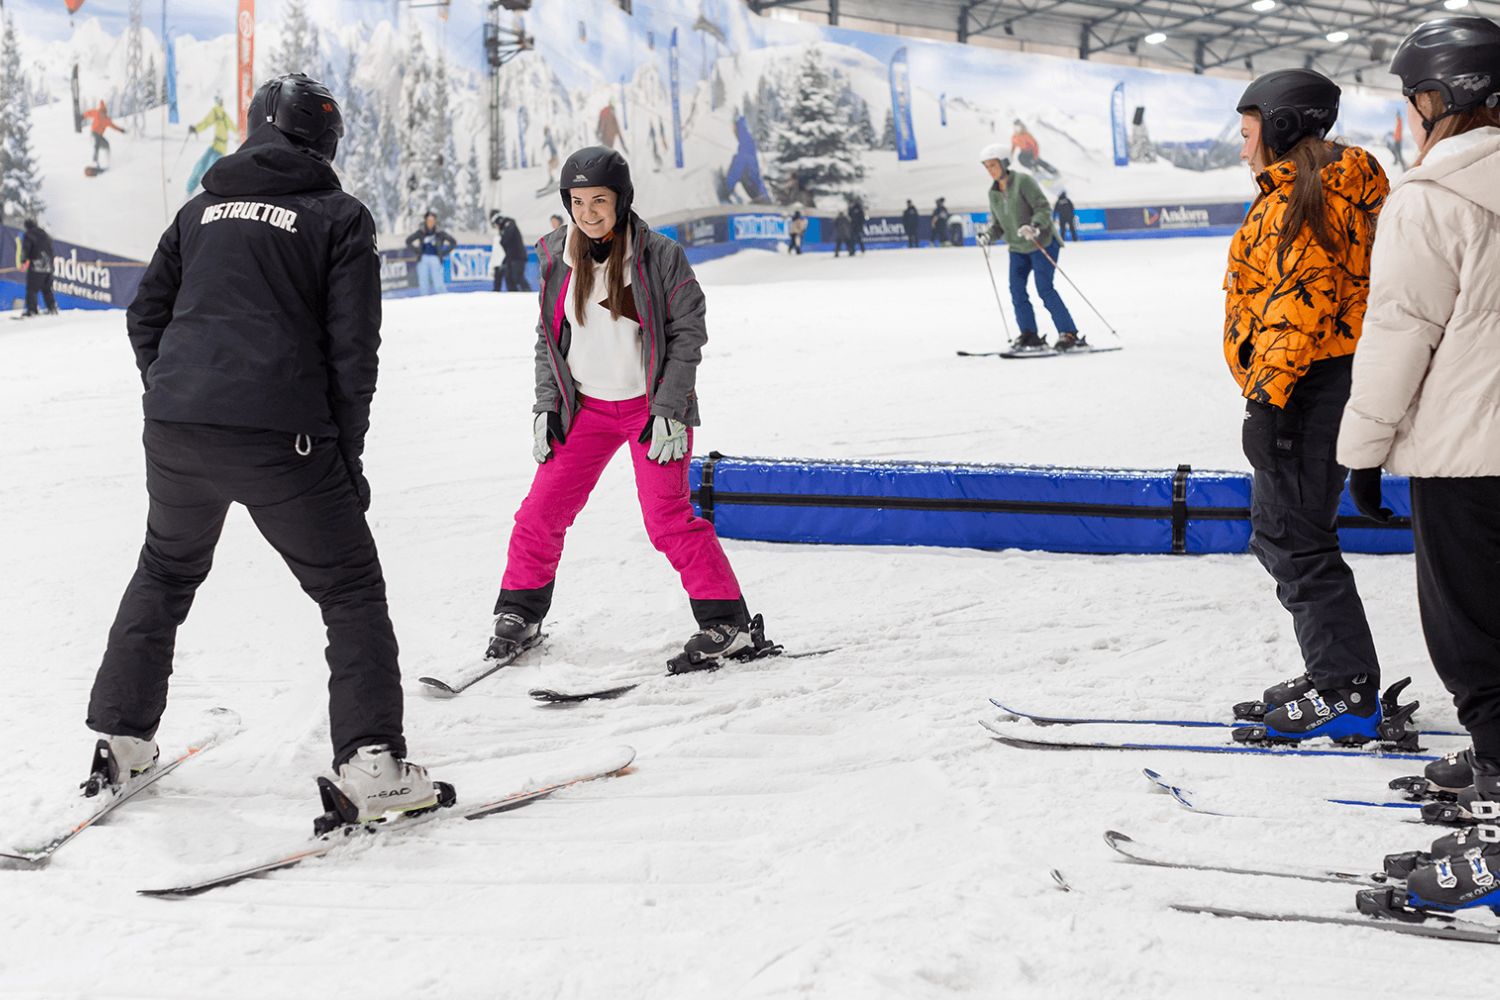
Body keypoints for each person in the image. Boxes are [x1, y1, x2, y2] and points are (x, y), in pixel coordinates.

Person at [84, 73, 440, 828]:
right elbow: (353, 356)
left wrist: (176, 390)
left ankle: (122, 740)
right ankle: (373, 763)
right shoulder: (340, 218)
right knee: (349, 590)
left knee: (164, 571)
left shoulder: (201, 209)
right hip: (286, 437)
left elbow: (145, 316)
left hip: (177, 429)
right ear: (325, 140)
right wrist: (349, 459)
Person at [486, 146, 772, 673]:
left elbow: (688, 333)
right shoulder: (555, 255)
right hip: (585, 410)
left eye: (599, 199)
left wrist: (670, 407)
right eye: (576, 200)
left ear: (622, 199)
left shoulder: (660, 254)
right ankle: (519, 612)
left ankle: (726, 623)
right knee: (539, 513)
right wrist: (547, 406)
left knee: (668, 520)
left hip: (650, 411)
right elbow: (547, 339)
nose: (588, 211)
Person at [1336, 16, 1500, 913]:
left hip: (1473, 459)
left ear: (1444, 100)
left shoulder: (1435, 197)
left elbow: (1399, 335)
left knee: (1477, 640)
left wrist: (1362, 452)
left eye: (1414, 101)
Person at [1224, 68, 1389, 743]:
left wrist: (1267, 405)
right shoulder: (1325, 192)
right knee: (1286, 532)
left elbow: (1299, 307)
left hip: (1306, 389)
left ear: (1283, 127)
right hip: (1323, 385)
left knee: (1295, 539)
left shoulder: (1306, 198)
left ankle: (1345, 687)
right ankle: (1335, 670)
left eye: (1247, 133)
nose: (1241, 149)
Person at [977, 146, 1082, 351]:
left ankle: (1068, 333)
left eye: (993, 165)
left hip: (1041, 242)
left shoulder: (1023, 181)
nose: (990, 170)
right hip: (1017, 248)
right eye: (987, 167)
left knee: (1044, 289)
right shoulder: (994, 193)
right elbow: (999, 224)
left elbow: (1043, 207)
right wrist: (988, 236)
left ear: (1005, 163)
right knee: (1016, 290)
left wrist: (1034, 226)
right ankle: (1029, 334)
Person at [186, 95, 239, 195]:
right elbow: (232, 127)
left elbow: (207, 123)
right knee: (203, 165)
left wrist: (196, 129)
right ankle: (193, 189)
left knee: (205, 166)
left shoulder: (220, 113)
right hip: (217, 146)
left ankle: (195, 189)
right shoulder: (220, 113)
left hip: (219, 148)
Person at [404, 211, 456, 296]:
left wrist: (443, 253)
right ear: (425, 221)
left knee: (438, 282)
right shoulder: (421, 232)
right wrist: (417, 251)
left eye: (432, 220)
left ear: (435, 221)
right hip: (423, 259)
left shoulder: (440, 233)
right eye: (428, 220)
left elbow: (453, 242)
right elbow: (408, 241)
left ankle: (445, 300)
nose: (430, 222)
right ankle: (424, 302)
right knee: (423, 283)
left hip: (435, 259)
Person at [19, 217, 58, 317]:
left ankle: (32, 310)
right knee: (47, 289)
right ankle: (52, 308)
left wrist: (23, 261)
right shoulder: (45, 234)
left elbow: (26, 249)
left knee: (32, 289)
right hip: (48, 266)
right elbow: (51, 250)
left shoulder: (29, 234)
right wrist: (51, 266)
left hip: (37, 265)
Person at [490, 212, 530, 292]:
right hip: (511, 257)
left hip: (518, 257)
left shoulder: (509, 224)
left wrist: (502, 238)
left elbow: (507, 237)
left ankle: (527, 292)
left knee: (517, 277)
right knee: (509, 278)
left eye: (496, 225)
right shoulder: (504, 229)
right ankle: (513, 294)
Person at [82, 100, 125, 170]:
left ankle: (109, 161)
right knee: (97, 143)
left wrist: (121, 130)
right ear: (100, 112)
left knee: (107, 144)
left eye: (104, 113)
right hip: (94, 133)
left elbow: (113, 126)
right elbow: (88, 113)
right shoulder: (96, 113)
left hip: (100, 135)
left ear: (105, 113)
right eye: (101, 113)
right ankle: (95, 161)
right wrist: (82, 116)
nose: (102, 115)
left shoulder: (107, 120)